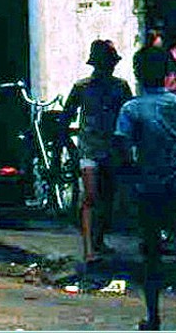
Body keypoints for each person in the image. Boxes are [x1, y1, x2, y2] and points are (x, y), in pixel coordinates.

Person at [117, 48, 176, 331]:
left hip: (149, 187)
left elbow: (123, 149)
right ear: (167, 73)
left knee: (152, 254)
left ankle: (153, 317)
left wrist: (128, 182)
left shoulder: (131, 109)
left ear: (138, 74)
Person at [64, 40, 132, 267]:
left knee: (106, 198)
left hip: (110, 149)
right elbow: (66, 119)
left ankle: (97, 242)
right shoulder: (83, 87)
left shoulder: (119, 87)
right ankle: (89, 249)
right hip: (91, 148)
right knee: (92, 197)